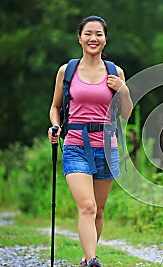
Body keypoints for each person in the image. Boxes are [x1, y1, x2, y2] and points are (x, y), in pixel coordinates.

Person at [47, 15, 133, 267]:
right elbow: (55, 107)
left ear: (105, 40)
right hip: (75, 145)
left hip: (106, 146)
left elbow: (127, 113)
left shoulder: (115, 72)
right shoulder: (67, 71)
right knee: (87, 206)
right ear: (79, 38)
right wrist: (54, 126)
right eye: (88, 33)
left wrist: (124, 90)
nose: (93, 38)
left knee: (99, 210)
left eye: (98, 34)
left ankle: (86, 258)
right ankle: (94, 261)